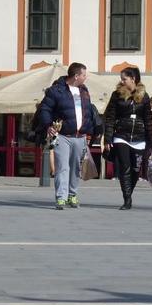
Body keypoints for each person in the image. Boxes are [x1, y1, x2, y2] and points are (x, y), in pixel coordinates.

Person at [37, 62, 96, 210]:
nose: (85, 77)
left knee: (76, 168)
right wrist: (48, 125)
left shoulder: (84, 90)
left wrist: (90, 130)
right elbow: (45, 109)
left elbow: (88, 112)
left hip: (80, 136)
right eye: (84, 75)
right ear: (76, 76)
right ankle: (61, 197)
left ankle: (72, 194)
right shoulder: (56, 91)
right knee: (62, 167)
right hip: (62, 135)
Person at [103, 67, 152, 210]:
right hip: (121, 136)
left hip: (139, 136)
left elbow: (148, 119)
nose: (122, 81)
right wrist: (108, 139)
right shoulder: (116, 95)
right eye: (122, 78)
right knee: (125, 167)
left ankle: (129, 192)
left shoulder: (144, 96)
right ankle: (127, 199)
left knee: (136, 169)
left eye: (124, 78)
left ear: (133, 79)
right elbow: (110, 117)